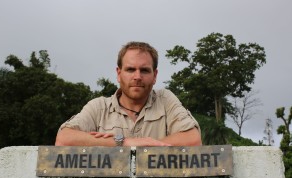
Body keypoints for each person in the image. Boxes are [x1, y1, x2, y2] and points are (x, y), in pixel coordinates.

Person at [55, 41, 202, 147]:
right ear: (119, 74)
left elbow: (193, 140)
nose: (137, 76)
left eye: (144, 70)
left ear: (155, 75)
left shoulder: (165, 100)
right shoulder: (99, 107)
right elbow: (64, 139)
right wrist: (124, 142)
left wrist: (139, 147)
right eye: (130, 69)